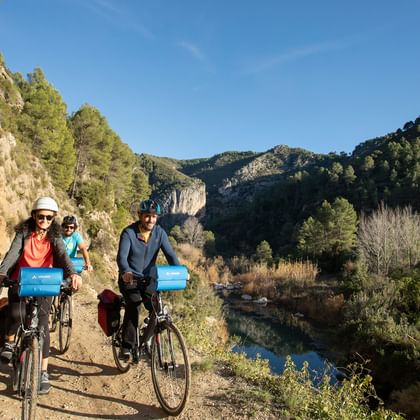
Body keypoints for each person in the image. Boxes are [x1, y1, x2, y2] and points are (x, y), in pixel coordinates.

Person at [0, 197, 82, 394]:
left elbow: (62, 255)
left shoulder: (55, 236)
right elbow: (13, 253)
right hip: (22, 280)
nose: (44, 220)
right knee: (16, 314)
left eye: (49, 217)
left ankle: (43, 372)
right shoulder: (24, 233)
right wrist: (3, 272)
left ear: (54, 218)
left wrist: (73, 274)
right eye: (41, 216)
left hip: (44, 282)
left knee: (43, 327)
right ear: (34, 215)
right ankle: (9, 342)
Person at [116, 199, 180, 358]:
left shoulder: (159, 233)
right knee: (134, 304)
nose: (150, 220)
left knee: (158, 309)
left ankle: (148, 336)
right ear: (139, 215)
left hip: (148, 280)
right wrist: (125, 271)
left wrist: (179, 270)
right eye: (147, 216)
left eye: (154, 216)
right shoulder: (129, 232)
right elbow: (122, 257)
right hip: (130, 279)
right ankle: (127, 346)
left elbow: (170, 254)